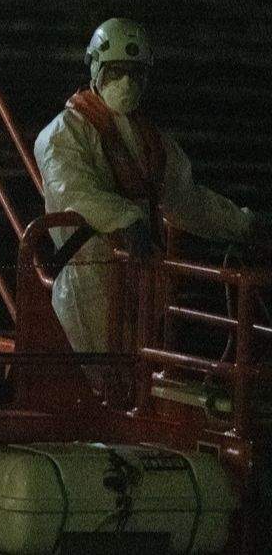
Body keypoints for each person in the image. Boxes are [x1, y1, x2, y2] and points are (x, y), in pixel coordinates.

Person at [34, 19, 264, 357]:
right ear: (96, 70)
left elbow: (186, 200)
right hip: (88, 279)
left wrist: (245, 224)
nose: (126, 82)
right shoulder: (62, 135)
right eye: (115, 71)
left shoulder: (150, 140)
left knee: (136, 371)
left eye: (135, 73)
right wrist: (127, 218)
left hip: (139, 277)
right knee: (102, 371)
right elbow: (74, 194)